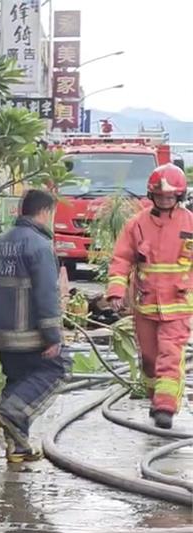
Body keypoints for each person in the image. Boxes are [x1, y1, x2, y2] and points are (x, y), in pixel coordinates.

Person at [106, 163, 193, 430]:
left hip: (178, 306)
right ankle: (156, 398)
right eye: (160, 196)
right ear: (151, 195)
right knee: (149, 358)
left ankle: (166, 406)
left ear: (179, 196)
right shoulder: (138, 224)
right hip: (145, 306)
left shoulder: (189, 222)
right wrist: (116, 291)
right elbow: (121, 259)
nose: (165, 201)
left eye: (170, 197)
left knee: (170, 354)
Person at [0, 189, 67, 462]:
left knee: (18, 380)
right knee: (56, 370)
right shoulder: (39, 245)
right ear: (44, 212)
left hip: (2, 332)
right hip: (29, 333)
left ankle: (18, 447)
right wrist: (53, 336)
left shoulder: (0, 241)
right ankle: (10, 413)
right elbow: (46, 294)